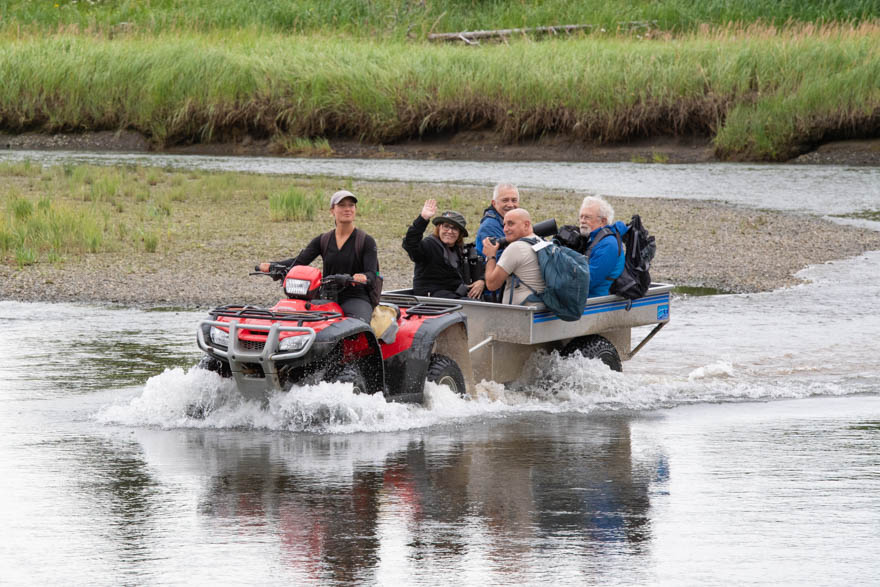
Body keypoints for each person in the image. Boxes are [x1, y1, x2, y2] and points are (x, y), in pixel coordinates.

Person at [259, 190, 379, 323]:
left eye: (351, 205)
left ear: (355, 209)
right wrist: (272, 265)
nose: (347, 209)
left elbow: (372, 274)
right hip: (326, 295)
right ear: (332, 211)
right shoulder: (324, 240)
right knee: (299, 319)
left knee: (358, 326)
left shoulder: (365, 241)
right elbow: (299, 262)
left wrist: (363, 277)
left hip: (355, 297)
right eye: (342, 205)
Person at [402, 199, 485, 299]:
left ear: (460, 234)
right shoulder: (430, 245)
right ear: (439, 228)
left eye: (454, 228)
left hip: (454, 295)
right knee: (471, 304)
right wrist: (423, 219)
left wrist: (482, 280)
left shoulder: (461, 250)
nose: (449, 231)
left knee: (485, 299)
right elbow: (410, 244)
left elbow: (482, 267)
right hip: (431, 297)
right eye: (446, 226)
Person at [481, 209, 546, 305]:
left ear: (526, 225)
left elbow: (492, 284)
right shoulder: (541, 242)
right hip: (542, 308)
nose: (505, 229)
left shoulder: (516, 248)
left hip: (521, 313)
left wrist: (490, 256)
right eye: (504, 225)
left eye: (511, 224)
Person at [579, 195, 626, 298]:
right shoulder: (591, 239)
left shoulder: (608, 244)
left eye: (587, 217)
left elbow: (588, 281)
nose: (582, 221)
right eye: (581, 216)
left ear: (603, 221)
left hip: (596, 301)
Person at [474, 183, 520, 258]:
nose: (510, 205)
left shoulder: (517, 220)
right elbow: (500, 260)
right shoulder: (489, 226)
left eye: (514, 200)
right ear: (494, 203)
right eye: (505, 200)